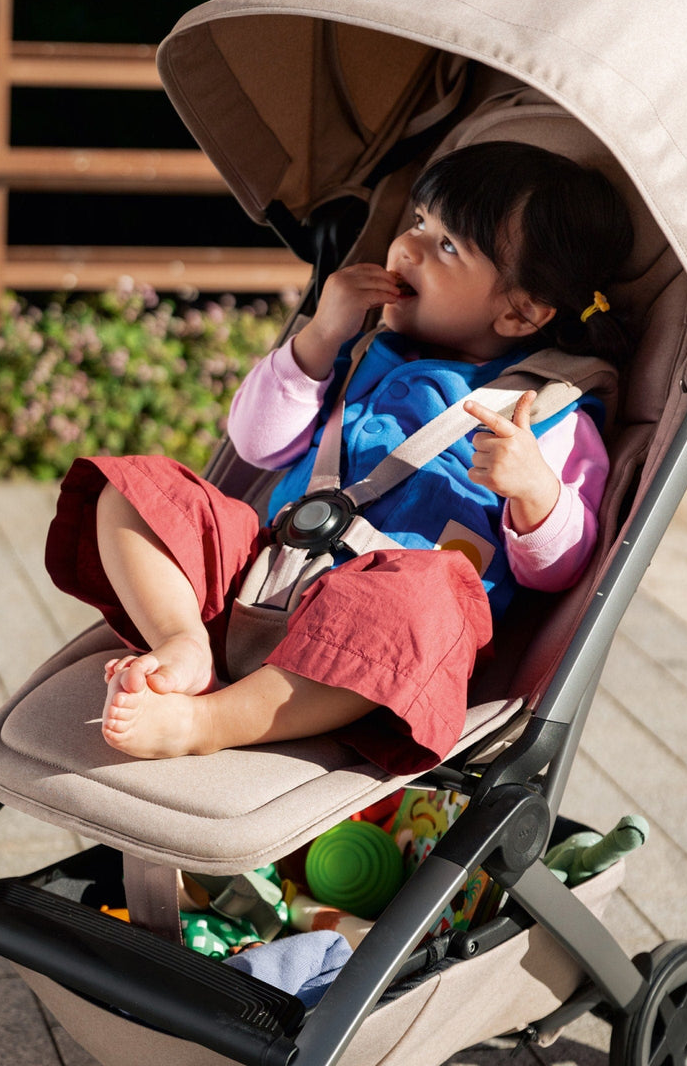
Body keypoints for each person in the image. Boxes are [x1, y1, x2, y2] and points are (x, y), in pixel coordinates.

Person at [45, 141, 633, 768]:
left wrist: (535, 493)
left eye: (448, 246)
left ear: (519, 313)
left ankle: (209, 720)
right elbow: (257, 444)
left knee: (429, 600)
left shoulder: (547, 412)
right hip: (264, 575)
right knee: (135, 487)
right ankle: (183, 642)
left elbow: (566, 571)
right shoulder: (355, 351)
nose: (408, 248)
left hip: (374, 638)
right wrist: (322, 336)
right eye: (418, 222)